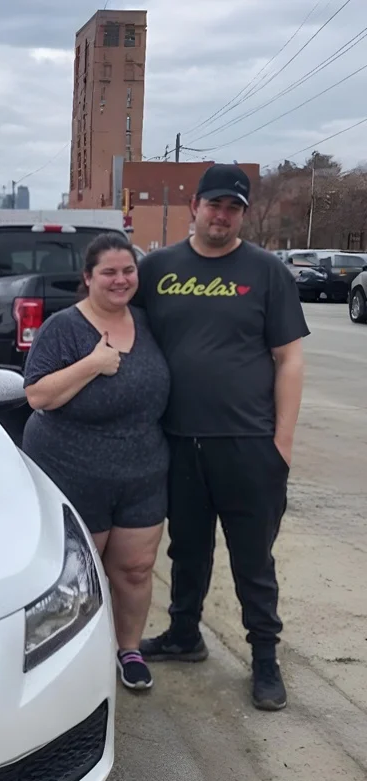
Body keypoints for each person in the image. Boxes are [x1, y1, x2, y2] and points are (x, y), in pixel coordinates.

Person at [134, 163, 309, 711]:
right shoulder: (159, 268)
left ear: (242, 213)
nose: (222, 215)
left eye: (233, 207)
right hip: (179, 440)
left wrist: (281, 443)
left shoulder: (266, 271)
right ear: (195, 205)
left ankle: (264, 659)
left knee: (253, 559)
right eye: (214, 204)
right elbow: (125, 333)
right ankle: (185, 634)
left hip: (248, 443)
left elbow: (289, 358)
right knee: (187, 550)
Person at [22, 232, 170, 692]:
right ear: (88, 278)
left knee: (135, 570)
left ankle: (128, 649)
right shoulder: (64, 327)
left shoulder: (148, 323)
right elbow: (37, 395)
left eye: (128, 270)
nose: (120, 279)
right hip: (73, 471)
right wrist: (92, 364)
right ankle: (78, 659)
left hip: (143, 473)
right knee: (77, 579)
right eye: (109, 271)